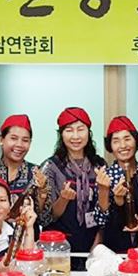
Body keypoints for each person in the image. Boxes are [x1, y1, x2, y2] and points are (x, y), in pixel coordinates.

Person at [41, 107, 109, 256]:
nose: (76, 136)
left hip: (94, 243)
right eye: (69, 130)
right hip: (59, 246)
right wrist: (64, 199)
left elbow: (105, 212)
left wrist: (98, 244)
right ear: (61, 134)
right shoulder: (51, 167)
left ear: (88, 132)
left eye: (80, 129)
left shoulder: (99, 165)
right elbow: (47, 217)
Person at [0, 114, 51, 222]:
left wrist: (42, 192)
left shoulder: (37, 173)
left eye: (25, 140)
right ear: (1, 140)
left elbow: (44, 219)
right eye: (13, 138)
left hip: (28, 232)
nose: (19, 145)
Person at [104, 116, 138, 253]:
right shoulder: (106, 176)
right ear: (110, 146)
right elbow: (101, 219)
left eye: (127, 139)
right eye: (116, 141)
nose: (122, 146)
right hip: (115, 247)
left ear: (136, 141)